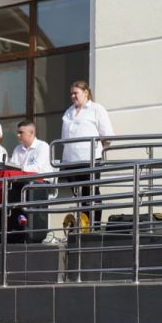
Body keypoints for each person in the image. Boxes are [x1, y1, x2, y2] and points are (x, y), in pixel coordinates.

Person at [61, 80, 114, 224]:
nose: (72, 96)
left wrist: (98, 152)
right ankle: (83, 226)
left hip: (89, 160)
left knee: (91, 193)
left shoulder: (96, 109)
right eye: (71, 93)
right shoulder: (69, 112)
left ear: (86, 93)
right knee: (78, 196)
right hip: (70, 161)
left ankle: (94, 226)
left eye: (75, 93)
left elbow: (107, 135)